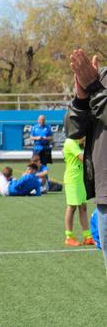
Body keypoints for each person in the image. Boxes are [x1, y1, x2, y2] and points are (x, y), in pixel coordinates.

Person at [65, 48, 106, 274]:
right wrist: (81, 100)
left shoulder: (96, 81)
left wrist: (93, 88)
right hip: (103, 195)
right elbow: (72, 131)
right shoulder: (100, 75)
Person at [62, 137, 94, 246]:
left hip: (81, 180)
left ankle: (88, 237)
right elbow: (82, 158)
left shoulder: (79, 142)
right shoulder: (70, 142)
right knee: (72, 207)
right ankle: (69, 237)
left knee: (83, 207)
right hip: (73, 180)